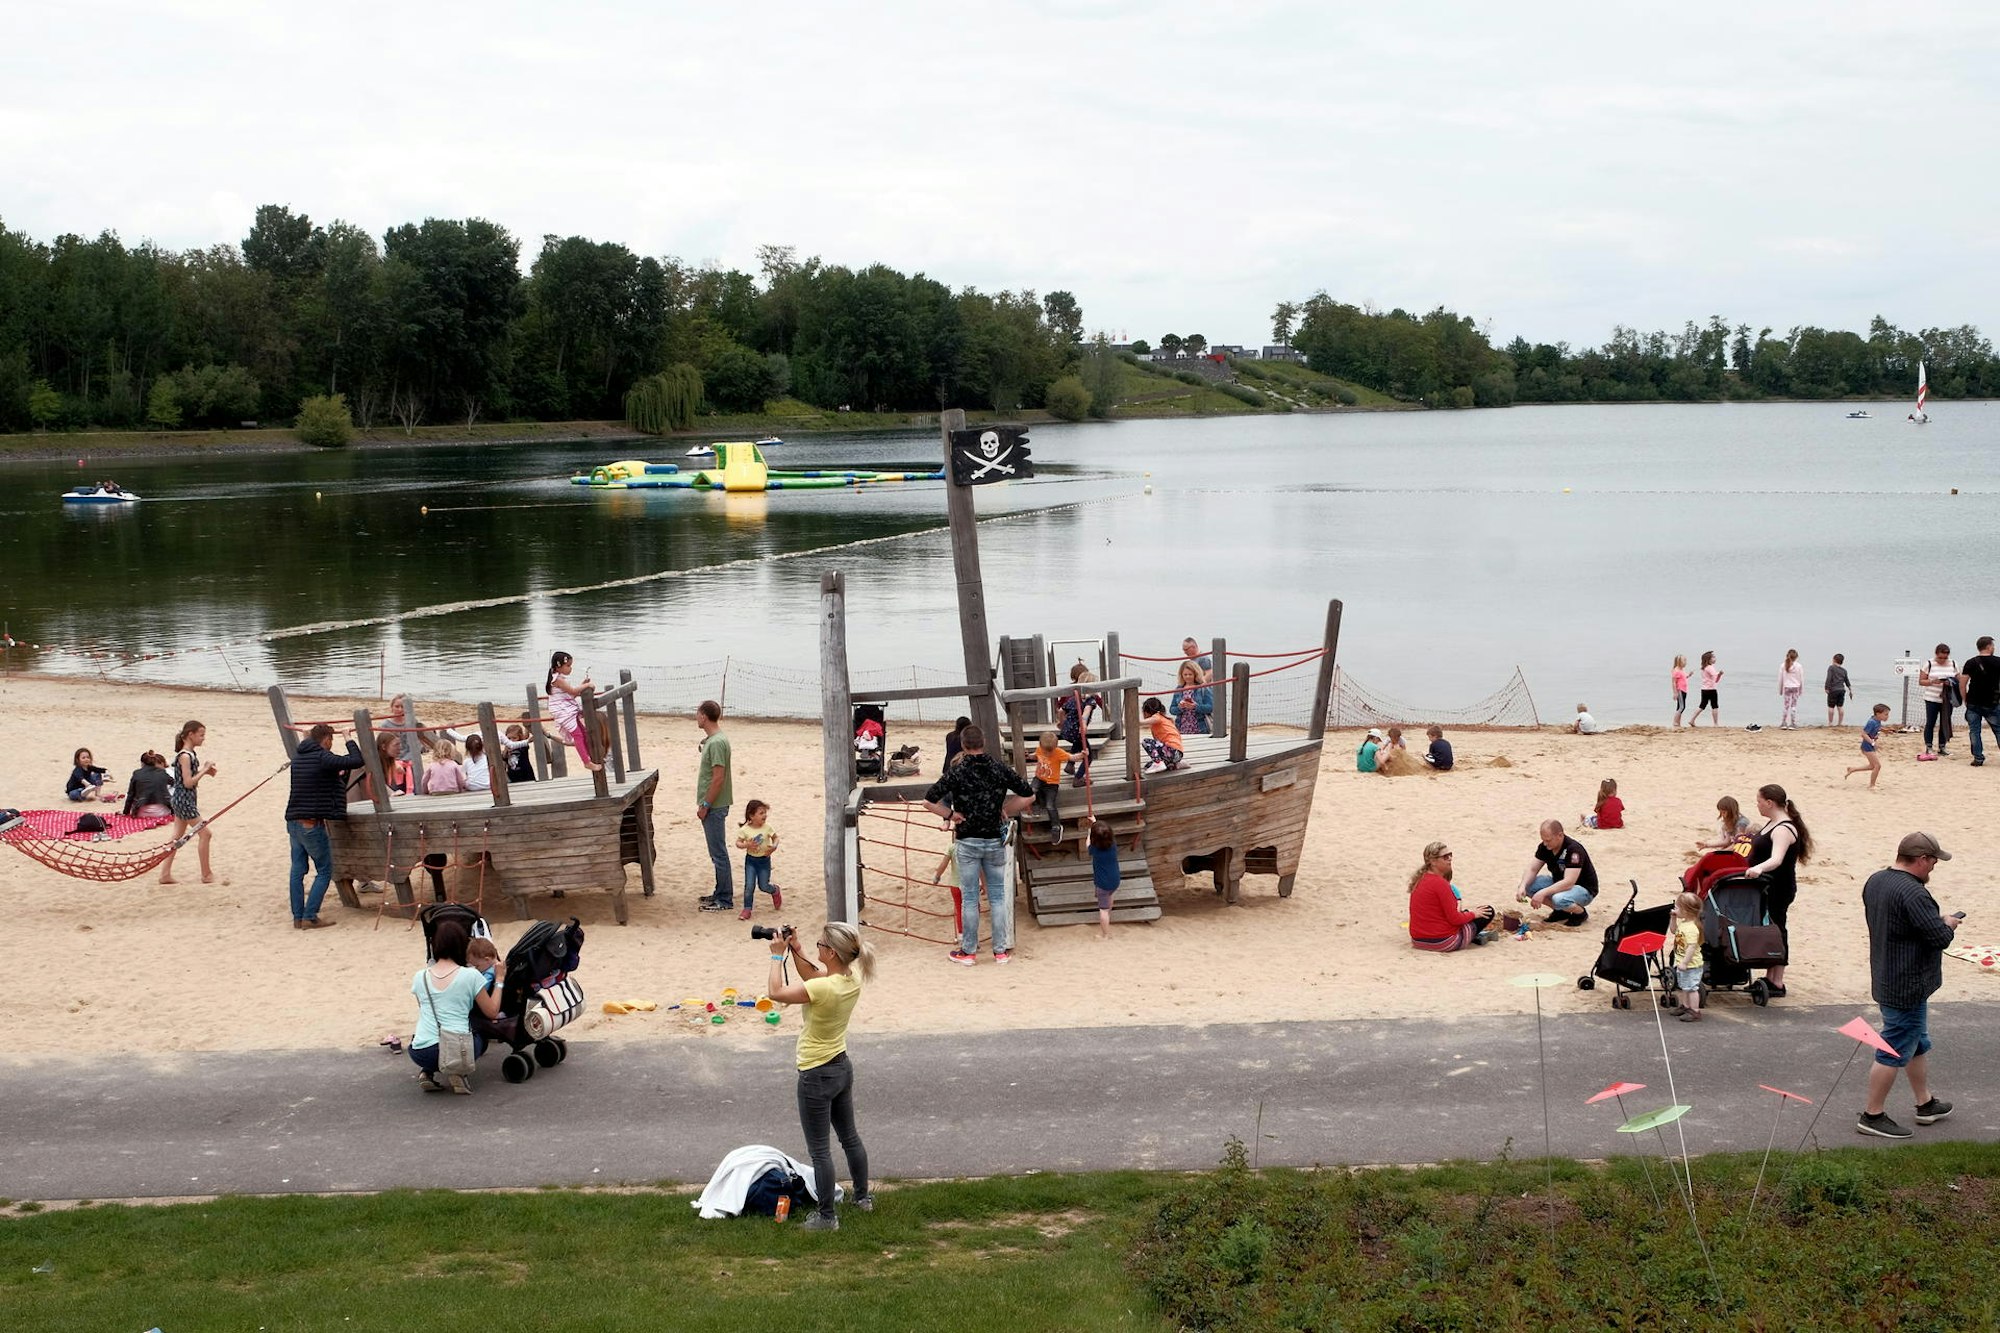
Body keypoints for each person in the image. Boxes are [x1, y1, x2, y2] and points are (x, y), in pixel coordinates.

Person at [765, 921, 876, 1230]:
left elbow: (776, 992)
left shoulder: (824, 988)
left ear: (831, 953)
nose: (817, 947)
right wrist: (797, 950)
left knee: (819, 1151)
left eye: (820, 945)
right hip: (841, 1066)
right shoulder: (849, 979)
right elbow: (813, 978)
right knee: (849, 1137)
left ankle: (826, 1217)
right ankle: (862, 1198)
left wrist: (777, 955)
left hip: (815, 1073)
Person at [1857, 833, 1963, 1139]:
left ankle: (1925, 1103)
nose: (1934, 867)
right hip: (1907, 984)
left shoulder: (1876, 881)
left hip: (1886, 975)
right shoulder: (1914, 893)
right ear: (1922, 860)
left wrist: (1931, 920)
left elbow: (1901, 923)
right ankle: (1872, 1115)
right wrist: (1947, 924)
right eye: (1933, 861)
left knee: (1916, 1042)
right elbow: (1939, 938)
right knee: (1892, 1048)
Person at [923, 724, 1035, 965]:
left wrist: (950, 815)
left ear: (963, 745)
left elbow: (928, 801)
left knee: (970, 898)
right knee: (997, 897)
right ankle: (1000, 951)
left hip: (967, 840)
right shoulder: (999, 768)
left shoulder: (957, 771)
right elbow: (1029, 794)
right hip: (994, 839)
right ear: (983, 742)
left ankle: (969, 952)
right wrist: (1006, 810)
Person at [282, 723, 366, 930]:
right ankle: (309, 916)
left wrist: (307, 737)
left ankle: (298, 916)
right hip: (311, 824)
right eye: (331, 740)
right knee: (325, 870)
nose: (331, 744)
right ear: (326, 739)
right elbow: (356, 760)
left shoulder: (298, 757)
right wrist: (348, 737)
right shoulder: (322, 757)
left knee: (297, 870)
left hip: (293, 821)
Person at [408, 917, 505, 1095]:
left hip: (420, 1052)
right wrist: (499, 979)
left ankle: (427, 1072)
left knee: (428, 1036)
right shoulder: (471, 976)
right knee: (480, 1034)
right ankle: (458, 1071)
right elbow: (492, 1012)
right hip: (457, 1050)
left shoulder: (419, 976)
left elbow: (424, 1010)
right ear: (462, 946)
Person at [1742, 783, 1811, 996]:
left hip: (1778, 887)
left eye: (1759, 801)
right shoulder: (1774, 823)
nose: (1757, 805)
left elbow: (1776, 859)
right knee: (1771, 927)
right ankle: (1770, 976)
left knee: (1777, 928)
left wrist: (1758, 868)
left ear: (1770, 803)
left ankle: (1777, 981)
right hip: (1767, 886)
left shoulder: (1783, 828)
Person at [158, 720, 216, 885]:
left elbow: (187, 778)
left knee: (176, 837)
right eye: (201, 735)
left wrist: (205, 772)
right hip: (184, 801)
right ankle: (206, 874)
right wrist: (204, 770)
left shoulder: (189, 754)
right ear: (190, 734)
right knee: (205, 834)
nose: (203, 738)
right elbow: (188, 783)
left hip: (183, 799)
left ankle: (165, 874)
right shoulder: (185, 756)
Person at [1409, 842, 1495, 952]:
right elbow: (1455, 919)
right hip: (1443, 941)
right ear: (1433, 861)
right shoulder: (1440, 884)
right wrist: (1474, 914)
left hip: (1418, 940)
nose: (1450, 859)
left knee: (1467, 913)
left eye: (1450, 855)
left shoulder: (1419, 880)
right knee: (1488, 911)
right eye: (1445, 857)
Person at [1515, 819, 1598, 925]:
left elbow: (1569, 882)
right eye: (1543, 840)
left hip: (1584, 889)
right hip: (1559, 882)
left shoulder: (1574, 850)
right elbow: (1533, 869)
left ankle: (1580, 913)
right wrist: (1523, 886)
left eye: (1548, 840)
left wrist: (1542, 893)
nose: (1545, 844)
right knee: (1528, 886)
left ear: (1560, 835)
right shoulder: (1545, 847)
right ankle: (1561, 911)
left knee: (1558, 899)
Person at [695, 700, 736, 912]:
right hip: (714, 805)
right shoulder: (714, 740)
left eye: (698, 713)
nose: (696, 717)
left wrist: (706, 804)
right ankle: (719, 892)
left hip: (715, 806)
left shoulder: (717, 742)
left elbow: (718, 778)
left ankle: (725, 899)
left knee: (719, 853)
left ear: (704, 716)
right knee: (716, 853)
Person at [545, 651, 601, 772]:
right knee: (578, 735)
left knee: (584, 733)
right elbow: (573, 691)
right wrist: (587, 686)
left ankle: (590, 756)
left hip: (567, 709)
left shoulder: (558, 679)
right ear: (559, 666)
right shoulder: (557, 680)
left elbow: (570, 695)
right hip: (563, 711)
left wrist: (582, 685)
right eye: (568, 666)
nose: (570, 668)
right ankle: (586, 761)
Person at [735, 798, 781, 920]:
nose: (764, 815)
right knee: (749, 886)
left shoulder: (767, 828)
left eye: (765, 812)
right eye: (761, 813)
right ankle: (747, 909)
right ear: (751, 815)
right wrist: (746, 845)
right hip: (751, 861)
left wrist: (774, 846)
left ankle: (775, 890)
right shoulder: (745, 830)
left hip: (764, 861)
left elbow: (776, 838)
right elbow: (738, 843)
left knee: (763, 886)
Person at [1958, 636, 2000, 767]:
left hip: (1973, 702)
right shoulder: (1998, 662)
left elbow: (1962, 684)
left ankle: (1978, 758)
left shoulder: (1970, 662)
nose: (1993, 648)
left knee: (1974, 731)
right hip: (1992, 702)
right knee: (1998, 729)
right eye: (1992, 646)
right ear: (1989, 647)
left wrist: (1965, 699)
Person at [1056, 666, 1104, 778]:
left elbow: (1061, 711)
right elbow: (1086, 713)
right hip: (1077, 732)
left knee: (1077, 743)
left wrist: (1061, 723)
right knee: (1088, 756)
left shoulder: (1073, 698)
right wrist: (1083, 724)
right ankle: (1078, 778)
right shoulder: (1090, 700)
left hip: (1066, 732)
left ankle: (1070, 765)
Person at [1031, 730, 1076, 845]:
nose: (1047, 753)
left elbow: (1071, 757)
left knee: (1050, 805)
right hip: (1039, 778)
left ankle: (1056, 826)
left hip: (1052, 783)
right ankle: (1035, 804)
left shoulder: (1058, 752)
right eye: (1045, 751)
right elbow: (1035, 756)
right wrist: (1029, 756)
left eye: (1050, 751)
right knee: (1032, 790)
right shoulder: (1039, 749)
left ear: (1055, 747)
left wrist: (1082, 755)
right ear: (1041, 745)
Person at [1082, 814, 1120, 940]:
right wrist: (1094, 822)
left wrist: (1090, 831)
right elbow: (1103, 834)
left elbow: (1087, 843)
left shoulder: (1094, 850)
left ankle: (1105, 935)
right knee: (1110, 896)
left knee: (1102, 910)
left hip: (1103, 884)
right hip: (1115, 880)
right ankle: (1108, 913)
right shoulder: (1113, 845)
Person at [1669, 891, 1705, 1022]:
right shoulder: (1684, 923)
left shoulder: (1692, 928)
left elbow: (1691, 947)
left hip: (1691, 965)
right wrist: (1673, 918)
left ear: (1686, 911)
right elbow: (1673, 930)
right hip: (1682, 963)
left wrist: (1685, 962)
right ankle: (1685, 1006)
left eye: (1677, 908)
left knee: (1692, 988)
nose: (1675, 909)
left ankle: (1695, 1010)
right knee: (1684, 987)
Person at [1918, 643, 1958, 759]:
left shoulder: (1953, 663)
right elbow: (1921, 681)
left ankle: (1942, 746)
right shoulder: (1929, 664)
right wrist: (1932, 681)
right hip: (1932, 698)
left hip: (1947, 699)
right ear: (1936, 654)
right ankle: (1929, 746)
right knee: (1930, 722)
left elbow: (1958, 679)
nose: (1942, 660)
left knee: (1945, 722)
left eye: (1945, 658)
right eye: (1940, 657)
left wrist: (1951, 682)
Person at [1847, 704, 1893, 787]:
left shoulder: (1877, 720)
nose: (1887, 717)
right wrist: (1873, 743)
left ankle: (1852, 769)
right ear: (1878, 714)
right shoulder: (1871, 722)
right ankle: (1872, 785)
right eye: (1886, 714)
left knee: (1872, 766)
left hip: (1870, 746)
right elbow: (1863, 734)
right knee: (1877, 766)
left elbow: (1877, 727)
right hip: (1867, 746)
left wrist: (1885, 730)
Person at [123, 750, 174, 818]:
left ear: (142, 763)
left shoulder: (137, 773)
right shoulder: (162, 772)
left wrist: (125, 812)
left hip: (141, 812)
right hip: (162, 812)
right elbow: (173, 783)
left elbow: (130, 795)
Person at [1140, 698, 1185, 771]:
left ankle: (1158, 763)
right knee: (1147, 766)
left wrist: (1137, 722)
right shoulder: (1165, 719)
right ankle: (1176, 764)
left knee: (1146, 742)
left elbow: (1151, 720)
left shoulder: (1157, 716)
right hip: (1178, 754)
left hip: (1172, 751)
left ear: (1146, 712)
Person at [1171, 662, 1213, 736]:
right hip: (1181, 728)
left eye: (1190, 674)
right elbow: (1172, 710)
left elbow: (1210, 707)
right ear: (1181, 675)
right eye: (1185, 674)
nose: (1187, 677)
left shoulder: (1203, 688)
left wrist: (1195, 707)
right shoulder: (1178, 689)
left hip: (1200, 728)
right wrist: (1180, 707)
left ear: (1196, 674)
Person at [1692, 651, 1723, 727]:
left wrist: (1719, 675)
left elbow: (1715, 680)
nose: (1715, 659)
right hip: (1711, 690)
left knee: (1702, 706)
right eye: (1713, 657)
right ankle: (1715, 723)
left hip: (1704, 690)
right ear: (1708, 659)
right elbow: (1714, 675)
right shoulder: (1710, 667)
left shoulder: (1704, 668)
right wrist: (1719, 673)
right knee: (1715, 706)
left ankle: (1692, 720)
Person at [1778, 649, 1804, 730]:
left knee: (1786, 705)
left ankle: (1784, 723)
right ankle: (1792, 723)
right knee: (1793, 705)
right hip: (1796, 687)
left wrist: (1780, 690)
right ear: (1796, 657)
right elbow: (1801, 679)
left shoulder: (1783, 665)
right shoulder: (1799, 666)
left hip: (1787, 687)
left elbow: (1780, 679)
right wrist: (1801, 690)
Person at [1826, 652, 1851, 727]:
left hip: (1833, 690)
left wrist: (1826, 687)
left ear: (1834, 660)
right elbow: (1847, 681)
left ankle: (1830, 723)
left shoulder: (1831, 668)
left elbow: (1829, 678)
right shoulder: (1844, 670)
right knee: (1840, 707)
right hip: (1842, 690)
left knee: (1831, 707)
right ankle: (1840, 723)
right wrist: (1850, 689)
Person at [1671, 655, 1690, 728]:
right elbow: (1673, 682)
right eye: (1684, 661)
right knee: (1682, 707)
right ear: (1679, 662)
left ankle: (1678, 722)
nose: (1686, 662)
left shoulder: (1682, 670)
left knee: (1680, 707)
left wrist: (1689, 675)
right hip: (1680, 690)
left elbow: (1684, 677)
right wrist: (1675, 693)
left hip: (1684, 690)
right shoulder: (1676, 671)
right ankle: (1675, 722)